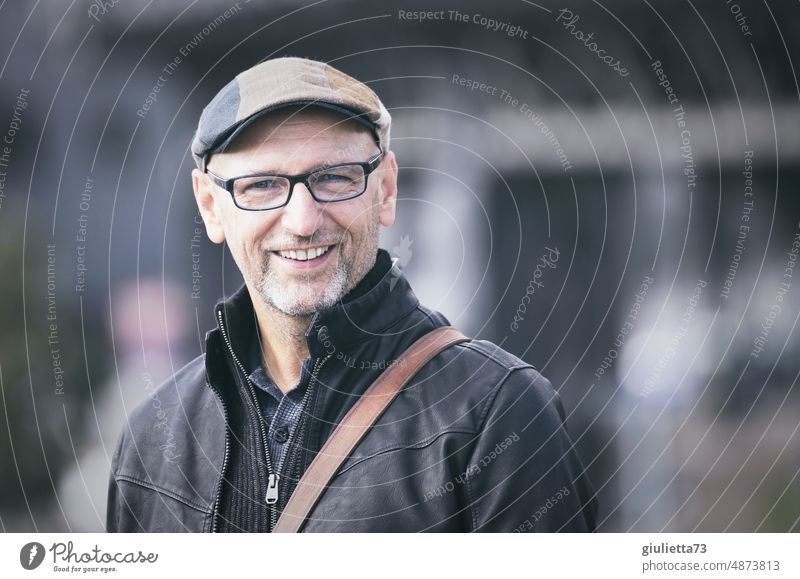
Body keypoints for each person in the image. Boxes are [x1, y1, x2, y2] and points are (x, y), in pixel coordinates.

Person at [106, 56, 598, 533]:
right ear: (211, 206)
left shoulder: (498, 413)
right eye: (261, 185)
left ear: (385, 190)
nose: (302, 221)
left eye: (334, 178)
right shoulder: (155, 438)